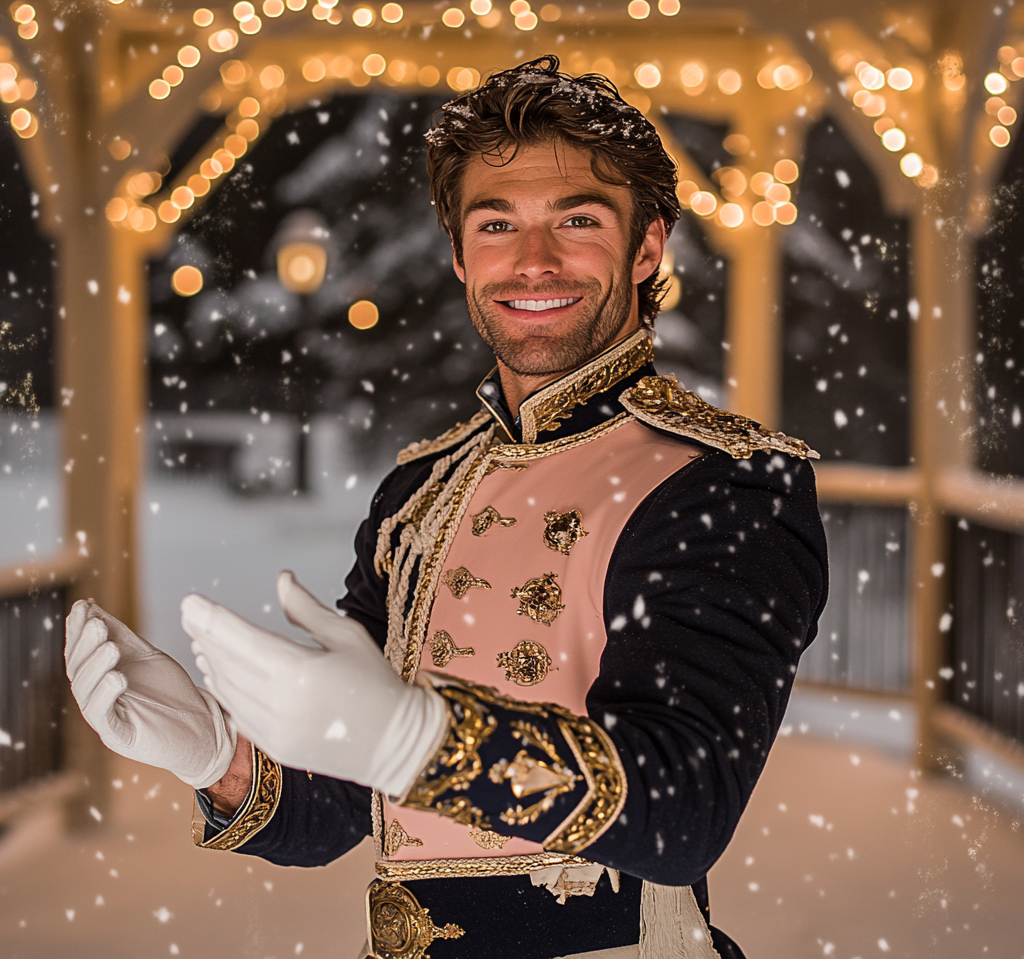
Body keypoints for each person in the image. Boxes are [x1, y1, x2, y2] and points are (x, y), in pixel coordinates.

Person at [65, 55, 828, 959]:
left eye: (577, 220)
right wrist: (215, 758)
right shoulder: (420, 490)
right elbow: (343, 811)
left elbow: (685, 809)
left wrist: (420, 741)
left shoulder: (725, 481)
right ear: (462, 254)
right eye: (496, 223)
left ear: (648, 246)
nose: (532, 259)